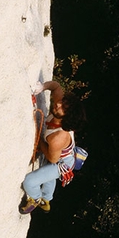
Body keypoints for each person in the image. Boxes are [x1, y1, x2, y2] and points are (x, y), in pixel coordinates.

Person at [19, 80, 86, 214]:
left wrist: (39, 140)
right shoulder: (59, 108)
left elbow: (53, 159)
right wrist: (42, 87)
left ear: (66, 118)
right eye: (62, 102)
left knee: (30, 182)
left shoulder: (57, 138)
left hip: (63, 163)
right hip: (63, 155)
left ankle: (36, 198)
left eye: (63, 108)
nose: (58, 104)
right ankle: (47, 199)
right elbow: (55, 87)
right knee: (47, 175)